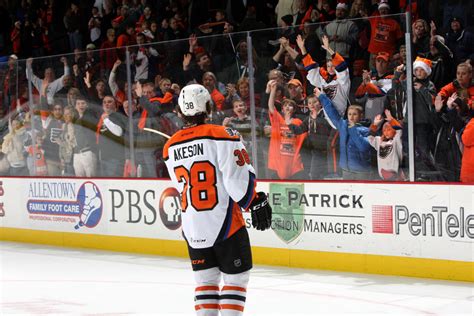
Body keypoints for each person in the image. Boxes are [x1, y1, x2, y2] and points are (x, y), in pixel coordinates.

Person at [163, 84, 272, 315]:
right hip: (225, 223)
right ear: (209, 107)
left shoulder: (169, 146)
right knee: (236, 281)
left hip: (193, 226)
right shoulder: (222, 135)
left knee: (205, 282)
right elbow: (235, 180)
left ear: (180, 111)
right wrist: (254, 200)